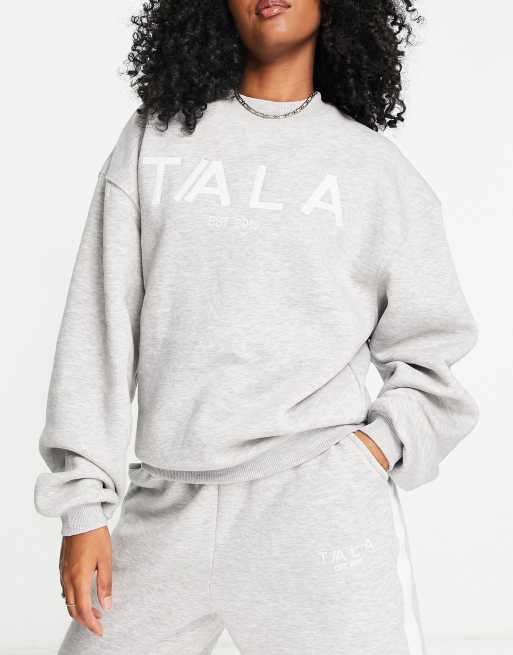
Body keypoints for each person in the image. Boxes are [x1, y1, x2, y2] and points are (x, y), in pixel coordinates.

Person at [34, 1, 479, 653]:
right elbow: (97, 329)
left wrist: (373, 451)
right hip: (166, 504)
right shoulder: (155, 140)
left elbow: (431, 352)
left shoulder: (375, 171)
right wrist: (82, 506)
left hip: (315, 508)